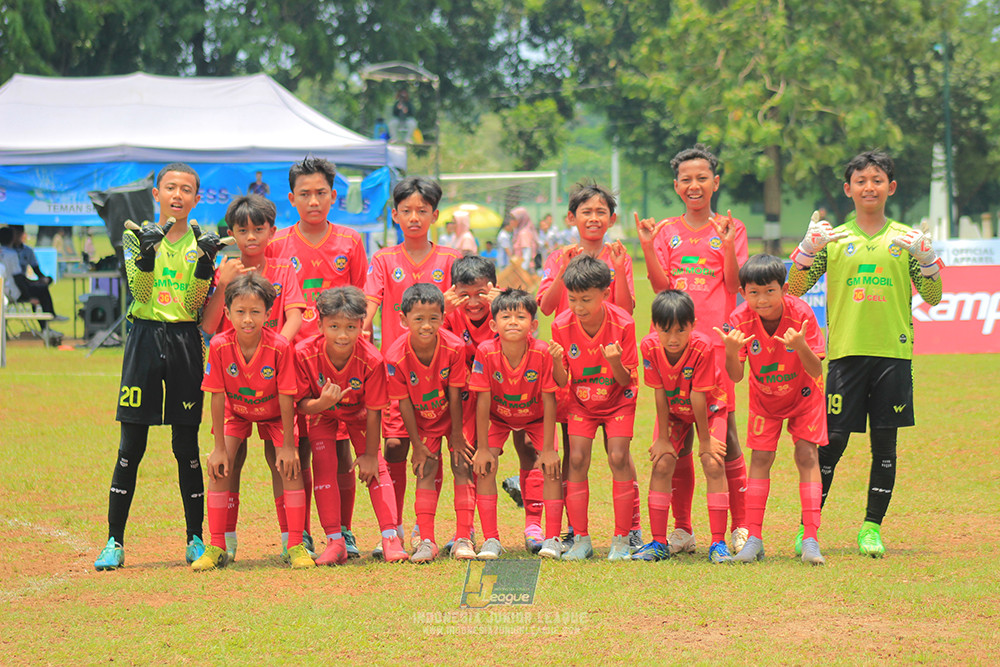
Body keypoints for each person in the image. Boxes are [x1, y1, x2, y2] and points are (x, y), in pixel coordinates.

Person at [788, 150, 944, 558]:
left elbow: (934, 295)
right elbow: (792, 289)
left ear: (890, 188)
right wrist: (806, 249)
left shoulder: (906, 240)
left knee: (885, 444)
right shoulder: (835, 239)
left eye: (877, 180)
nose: (869, 187)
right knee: (833, 441)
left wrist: (928, 261)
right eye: (861, 180)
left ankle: (871, 528)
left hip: (892, 354)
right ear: (848, 189)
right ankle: (810, 528)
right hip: (844, 354)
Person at [93, 163, 227, 570]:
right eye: (171, 187)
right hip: (144, 340)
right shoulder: (136, 235)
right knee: (131, 446)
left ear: (196, 198)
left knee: (185, 446)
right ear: (157, 193)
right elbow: (141, 291)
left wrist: (205, 267)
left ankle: (195, 539)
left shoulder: (201, 241)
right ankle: (114, 541)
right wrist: (147, 256)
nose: (178, 195)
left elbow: (191, 307)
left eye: (187, 189)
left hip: (185, 342)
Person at [637, 143, 749, 556]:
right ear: (676, 186)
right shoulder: (666, 231)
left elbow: (734, 285)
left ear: (715, 182)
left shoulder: (730, 228)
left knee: (726, 439)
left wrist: (727, 243)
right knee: (676, 440)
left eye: (702, 177)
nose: (695, 185)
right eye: (687, 179)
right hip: (672, 346)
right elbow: (660, 287)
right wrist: (648, 246)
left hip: (716, 347)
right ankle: (681, 531)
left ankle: (740, 527)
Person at [267, 156, 368, 558]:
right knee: (292, 447)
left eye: (321, 193)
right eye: (305, 194)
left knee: (339, 447)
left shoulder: (350, 242)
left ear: (334, 196)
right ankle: (296, 532)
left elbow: (361, 301)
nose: (313, 200)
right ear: (292, 198)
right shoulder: (276, 245)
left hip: (337, 362)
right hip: (291, 361)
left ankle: (341, 530)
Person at [537, 181, 642, 553]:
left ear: (611, 218)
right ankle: (575, 532)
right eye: (586, 211)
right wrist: (564, 268)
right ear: (572, 217)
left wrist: (615, 268)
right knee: (574, 454)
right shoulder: (558, 255)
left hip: (611, 367)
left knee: (620, 454)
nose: (593, 218)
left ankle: (629, 530)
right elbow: (548, 308)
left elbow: (627, 309)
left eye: (601, 212)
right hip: (575, 365)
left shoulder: (618, 254)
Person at [201, 194, 305, 562]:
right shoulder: (224, 270)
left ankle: (292, 542)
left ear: (271, 232)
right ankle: (222, 543)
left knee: (284, 462)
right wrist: (221, 283)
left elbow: (294, 315)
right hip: (235, 389)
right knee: (227, 460)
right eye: (242, 230)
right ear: (231, 233)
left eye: (258, 230)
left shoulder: (283, 270)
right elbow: (209, 325)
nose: (250, 237)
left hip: (277, 384)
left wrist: (272, 349)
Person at [364, 176, 463, 552]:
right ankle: (395, 529)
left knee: (439, 451)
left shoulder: (451, 259)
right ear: (394, 215)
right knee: (394, 448)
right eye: (406, 211)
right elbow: (370, 305)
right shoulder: (383, 259)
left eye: (422, 210)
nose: (414, 217)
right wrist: (362, 332)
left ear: (435, 215)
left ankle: (439, 532)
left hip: (442, 372)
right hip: (398, 375)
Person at [716, 254, 827, 565]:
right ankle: (754, 539)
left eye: (769, 291)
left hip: (805, 395)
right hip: (765, 398)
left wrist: (801, 345)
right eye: (754, 292)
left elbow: (816, 370)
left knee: (806, 454)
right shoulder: (739, 320)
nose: (762, 299)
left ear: (785, 289)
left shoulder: (802, 313)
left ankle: (811, 540)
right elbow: (735, 376)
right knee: (761, 458)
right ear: (743, 292)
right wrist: (730, 351)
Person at [295, 287, 409, 564]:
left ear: (361, 325)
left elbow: (374, 411)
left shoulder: (372, 359)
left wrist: (370, 455)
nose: (342, 335)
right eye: (333, 326)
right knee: (323, 465)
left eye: (350, 327)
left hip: (359, 415)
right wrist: (322, 404)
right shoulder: (304, 353)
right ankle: (335, 541)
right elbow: (300, 404)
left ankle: (390, 537)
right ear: (320, 324)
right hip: (323, 414)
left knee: (377, 468)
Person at [549, 255, 639, 561]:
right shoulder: (561, 325)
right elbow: (562, 379)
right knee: (575, 459)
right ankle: (581, 540)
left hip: (618, 400)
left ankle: (622, 540)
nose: (578, 307)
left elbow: (626, 378)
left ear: (606, 292)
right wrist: (555, 362)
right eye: (572, 299)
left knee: (618, 456)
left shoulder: (623, 324)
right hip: (582, 403)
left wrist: (614, 361)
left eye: (586, 299)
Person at [631, 290, 731, 563]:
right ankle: (659, 542)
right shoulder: (649, 346)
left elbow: (699, 396)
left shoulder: (703, 347)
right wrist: (663, 439)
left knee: (712, 462)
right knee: (662, 463)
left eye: (680, 330)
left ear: (693, 325)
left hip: (709, 410)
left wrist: (706, 441)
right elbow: (660, 392)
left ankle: (718, 543)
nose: (673, 339)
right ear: (654, 327)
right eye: (666, 331)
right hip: (674, 410)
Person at [470, 289, 562, 559]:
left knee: (551, 467)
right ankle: (491, 539)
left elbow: (549, 401)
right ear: (493, 324)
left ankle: (552, 537)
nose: (512, 321)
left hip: (535, 417)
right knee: (485, 467)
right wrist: (484, 448)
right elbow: (482, 402)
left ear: (533, 324)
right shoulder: (485, 352)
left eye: (520, 316)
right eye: (506, 316)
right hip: (499, 417)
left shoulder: (542, 352)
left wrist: (548, 449)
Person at [383, 283, 468, 563]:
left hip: (454, 416)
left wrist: (457, 436)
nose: (426, 325)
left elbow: (456, 395)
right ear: (403, 320)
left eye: (433, 318)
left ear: (443, 318)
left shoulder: (455, 347)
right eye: (418, 319)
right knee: (426, 468)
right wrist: (417, 445)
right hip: (423, 419)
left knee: (461, 464)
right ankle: (427, 541)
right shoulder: (395, 357)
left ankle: (464, 538)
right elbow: (403, 402)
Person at [441, 255, 501, 556]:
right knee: (462, 461)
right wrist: (441, 312)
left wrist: (504, 305)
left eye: (481, 293)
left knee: (491, 460)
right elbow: (434, 345)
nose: (474, 302)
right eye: (465, 294)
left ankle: (518, 531)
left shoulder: (505, 311)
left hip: (501, 400)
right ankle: (464, 534)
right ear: (454, 291)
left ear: (493, 288)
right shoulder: (448, 315)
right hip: (462, 399)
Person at [0, 226, 63, 337]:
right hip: (13, 292)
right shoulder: (11, 254)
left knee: (39, 287)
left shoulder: (23, 251)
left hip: (6, 290)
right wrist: (28, 297)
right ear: (12, 238)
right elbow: (17, 278)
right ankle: (47, 324)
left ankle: (47, 324)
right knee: (41, 290)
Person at [510, 207, 539, 272]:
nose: (511, 221)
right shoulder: (517, 232)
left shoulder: (524, 233)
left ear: (520, 219)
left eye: (514, 218)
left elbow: (527, 255)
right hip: (518, 268)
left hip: (525, 270)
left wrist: (522, 271)